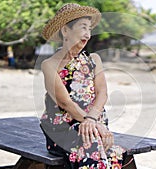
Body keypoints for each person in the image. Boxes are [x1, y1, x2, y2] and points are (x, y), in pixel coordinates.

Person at [40, 3, 125, 169]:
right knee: (91, 142)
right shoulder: (49, 65)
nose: (88, 34)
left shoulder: (94, 59)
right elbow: (65, 103)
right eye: (83, 27)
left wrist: (92, 120)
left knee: (113, 151)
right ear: (65, 30)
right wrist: (91, 123)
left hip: (93, 123)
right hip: (62, 129)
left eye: (90, 29)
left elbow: (102, 94)